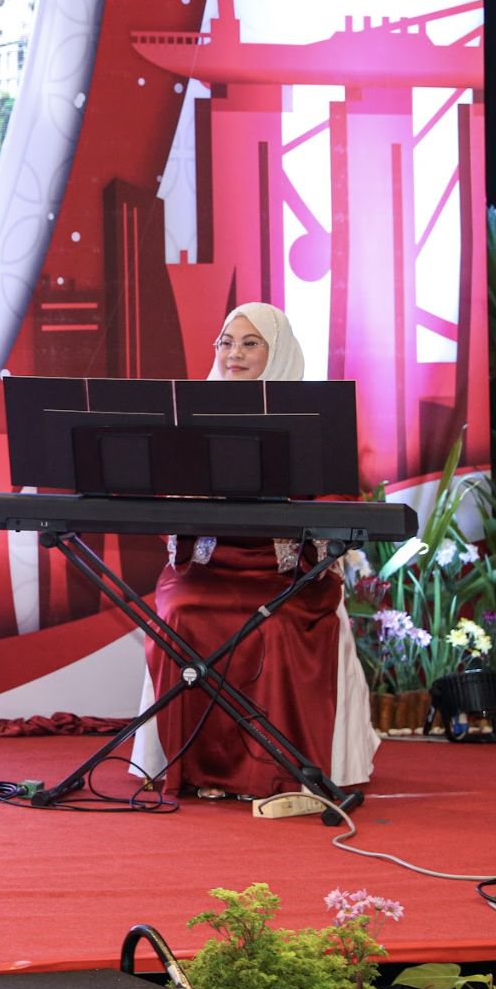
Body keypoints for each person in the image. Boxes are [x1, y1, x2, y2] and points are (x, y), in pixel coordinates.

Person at [129, 303, 379, 799]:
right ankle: (193, 768)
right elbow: (164, 497)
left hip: (287, 573)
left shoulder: (315, 418)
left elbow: (337, 496)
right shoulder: (187, 416)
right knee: (179, 612)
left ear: (278, 351)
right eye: (226, 342)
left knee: (280, 624)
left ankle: (278, 773)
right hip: (208, 567)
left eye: (250, 343)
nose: (234, 354)